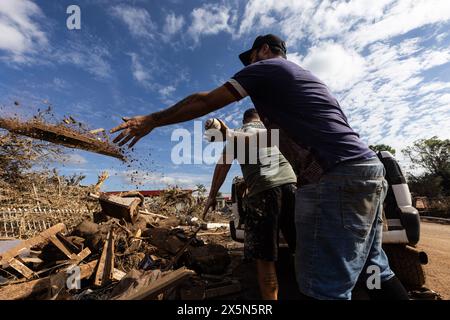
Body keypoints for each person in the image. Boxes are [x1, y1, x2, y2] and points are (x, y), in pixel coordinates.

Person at [111, 34, 409, 300]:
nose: (249, 63)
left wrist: (153, 120)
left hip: (334, 178)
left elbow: (206, 103)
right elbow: (255, 139)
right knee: (374, 267)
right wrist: (226, 133)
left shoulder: (267, 69)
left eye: (251, 56)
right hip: (366, 169)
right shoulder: (300, 88)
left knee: (324, 286)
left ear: (264, 50)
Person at [203, 108, 297, 300]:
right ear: (259, 118)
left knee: (265, 259)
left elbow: (222, 166)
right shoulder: (273, 130)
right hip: (293, 186)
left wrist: (212, 196)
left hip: (263, 192)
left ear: (244, 120)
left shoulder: (238, 134)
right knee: (301, 248)